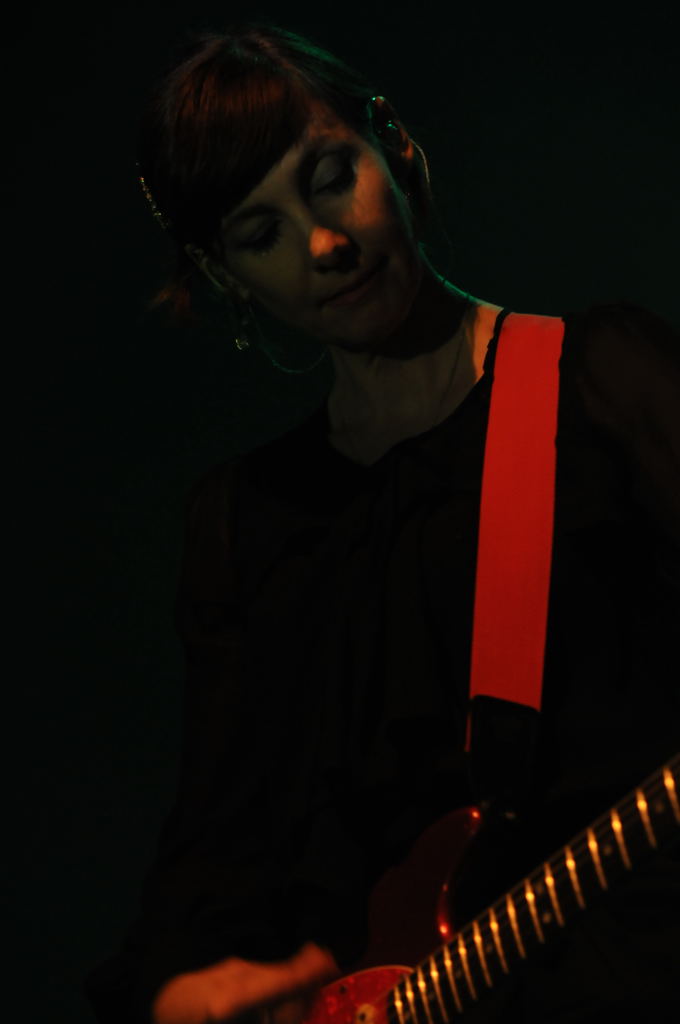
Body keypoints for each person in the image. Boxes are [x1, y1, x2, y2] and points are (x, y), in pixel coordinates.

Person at [84, 21, 680, 1024]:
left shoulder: (603, 384)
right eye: (260, 234)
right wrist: (191, 987)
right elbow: (219, 852)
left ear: (391, 143)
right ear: (226, 277)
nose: (324, 244)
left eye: (329, 178)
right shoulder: (245, 525)